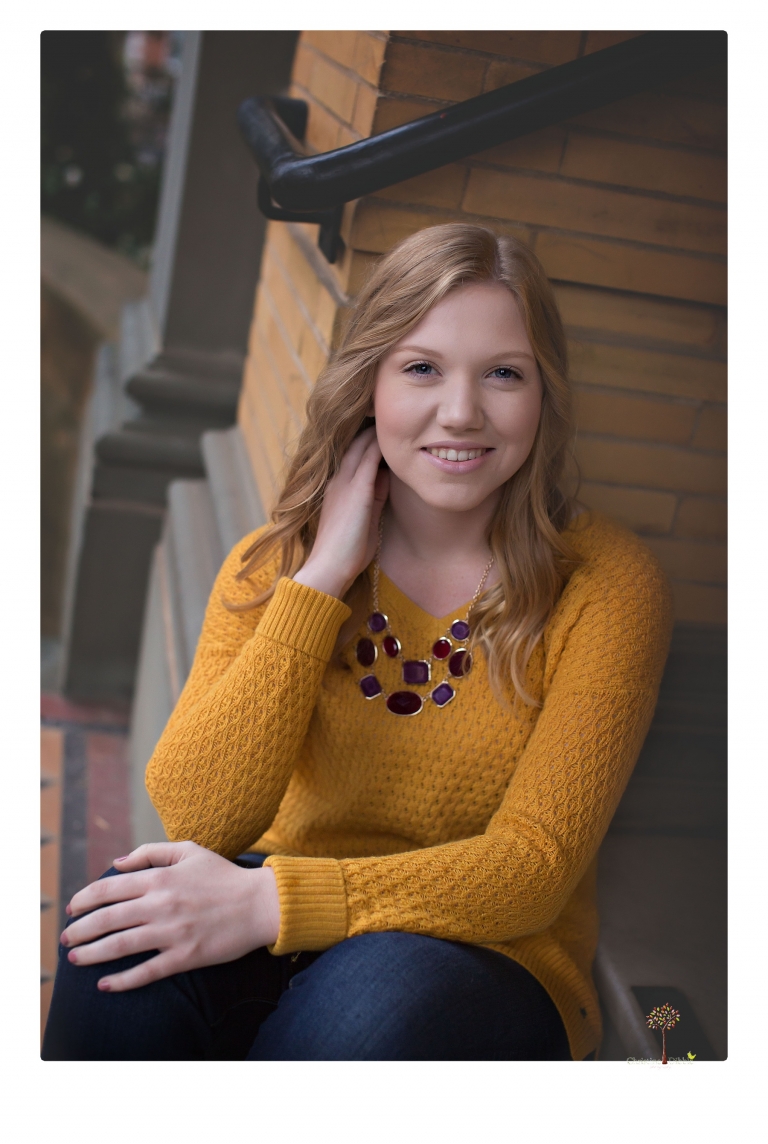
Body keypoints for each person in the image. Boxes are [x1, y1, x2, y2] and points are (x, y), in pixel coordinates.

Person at [43, 224, 672, 1061]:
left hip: (480, 955)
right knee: (113, 940)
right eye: (421, 368)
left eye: (504, 375)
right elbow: (196, 816)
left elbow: (533, 868)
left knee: (366, 1015)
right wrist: (321, 580)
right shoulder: (280, 562)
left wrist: (272, 904)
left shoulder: (605, 583)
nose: (461, 412)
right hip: (270, 906)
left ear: (544, 396)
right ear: (368, 381)